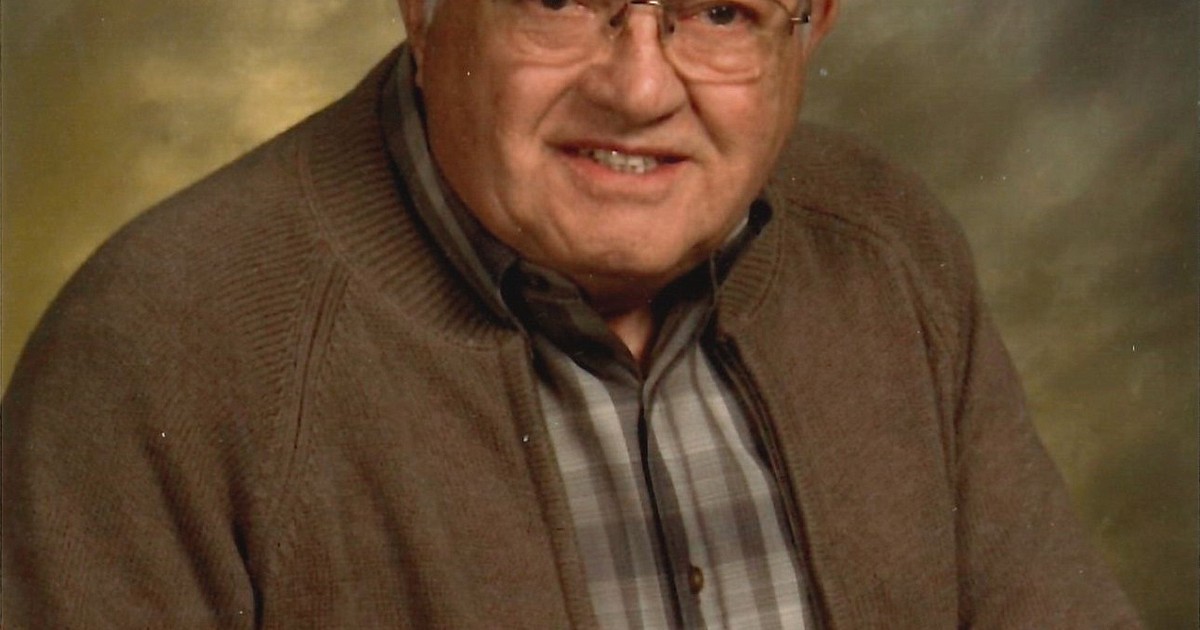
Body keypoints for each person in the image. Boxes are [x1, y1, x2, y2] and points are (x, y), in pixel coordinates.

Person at [2, 0, 1141, 626]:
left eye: (719, 12)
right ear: (424, 12)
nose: (638, 89)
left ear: (813, 26)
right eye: (560, 2)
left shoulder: (890, 251)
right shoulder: (161, 347)